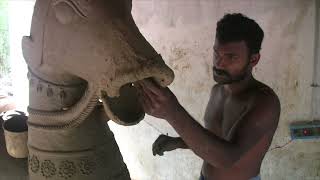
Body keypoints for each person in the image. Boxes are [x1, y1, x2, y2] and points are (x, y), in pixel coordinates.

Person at [136, 13, 280, 180]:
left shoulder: (264, 102)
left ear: (253, 59)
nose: (219, 64)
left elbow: (227, 158)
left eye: (231, 57)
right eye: (217, 54)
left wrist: (172, 112)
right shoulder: (218, 91)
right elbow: (215, 141)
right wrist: (178, 142)